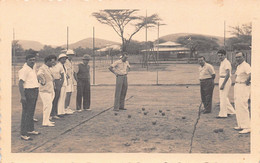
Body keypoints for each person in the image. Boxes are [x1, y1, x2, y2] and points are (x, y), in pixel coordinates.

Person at [18, 53, 40, 140]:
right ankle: (23, 133)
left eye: (34, 60)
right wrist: (23, 96)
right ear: (26, 61)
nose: (32, 61)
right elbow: (20, 83)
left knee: (31, 112)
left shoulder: (32, 68)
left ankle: (30, 129)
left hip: (34, 90)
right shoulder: (24, 70)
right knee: (26, 113)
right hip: (28, 92)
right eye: (30, 60)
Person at [234, 52, 251, 134]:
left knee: (243, 106)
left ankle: (247, 127)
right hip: (237, 86)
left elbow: (251, 74)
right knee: (238, 105)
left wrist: (247, 82)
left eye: (240, 57)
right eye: (236, 57)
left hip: (243, 87)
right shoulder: (239, 66)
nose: (238, 59)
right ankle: (240, 124)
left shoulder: (246, 65)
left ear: (244, 57)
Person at [37, 55, 57, 127]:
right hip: (44, 90)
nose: (53, 63)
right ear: (47, 61)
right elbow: (39, 74)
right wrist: (43, 81)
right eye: (52, 62)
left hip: (50, 89)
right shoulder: (42, 68)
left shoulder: (49, 68)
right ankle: (45, 122)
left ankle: (47, 120)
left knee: (49, 105)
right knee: (47, 105)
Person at [216, 49, 236, 118]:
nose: (220, 57)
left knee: (223, 97)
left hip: (225, 80)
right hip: (221, 79)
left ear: (225, 55)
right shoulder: (222, 62)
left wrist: (223, 84)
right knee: (224, 97)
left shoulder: (226, 62)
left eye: (221, 55)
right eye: (219, 56)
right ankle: (231, 111)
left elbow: (228, 74)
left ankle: (223, 114)